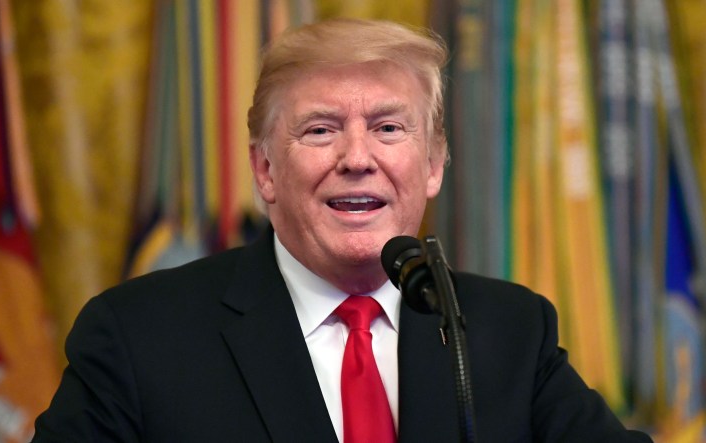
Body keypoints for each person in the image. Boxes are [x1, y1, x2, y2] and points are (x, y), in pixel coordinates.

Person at [32, 18, 652, 442]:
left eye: (388, 128)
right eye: (321, 130)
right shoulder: (138, 337)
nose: (357, 157)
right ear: (265, 168)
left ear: (433, 166)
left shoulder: (508, 331)